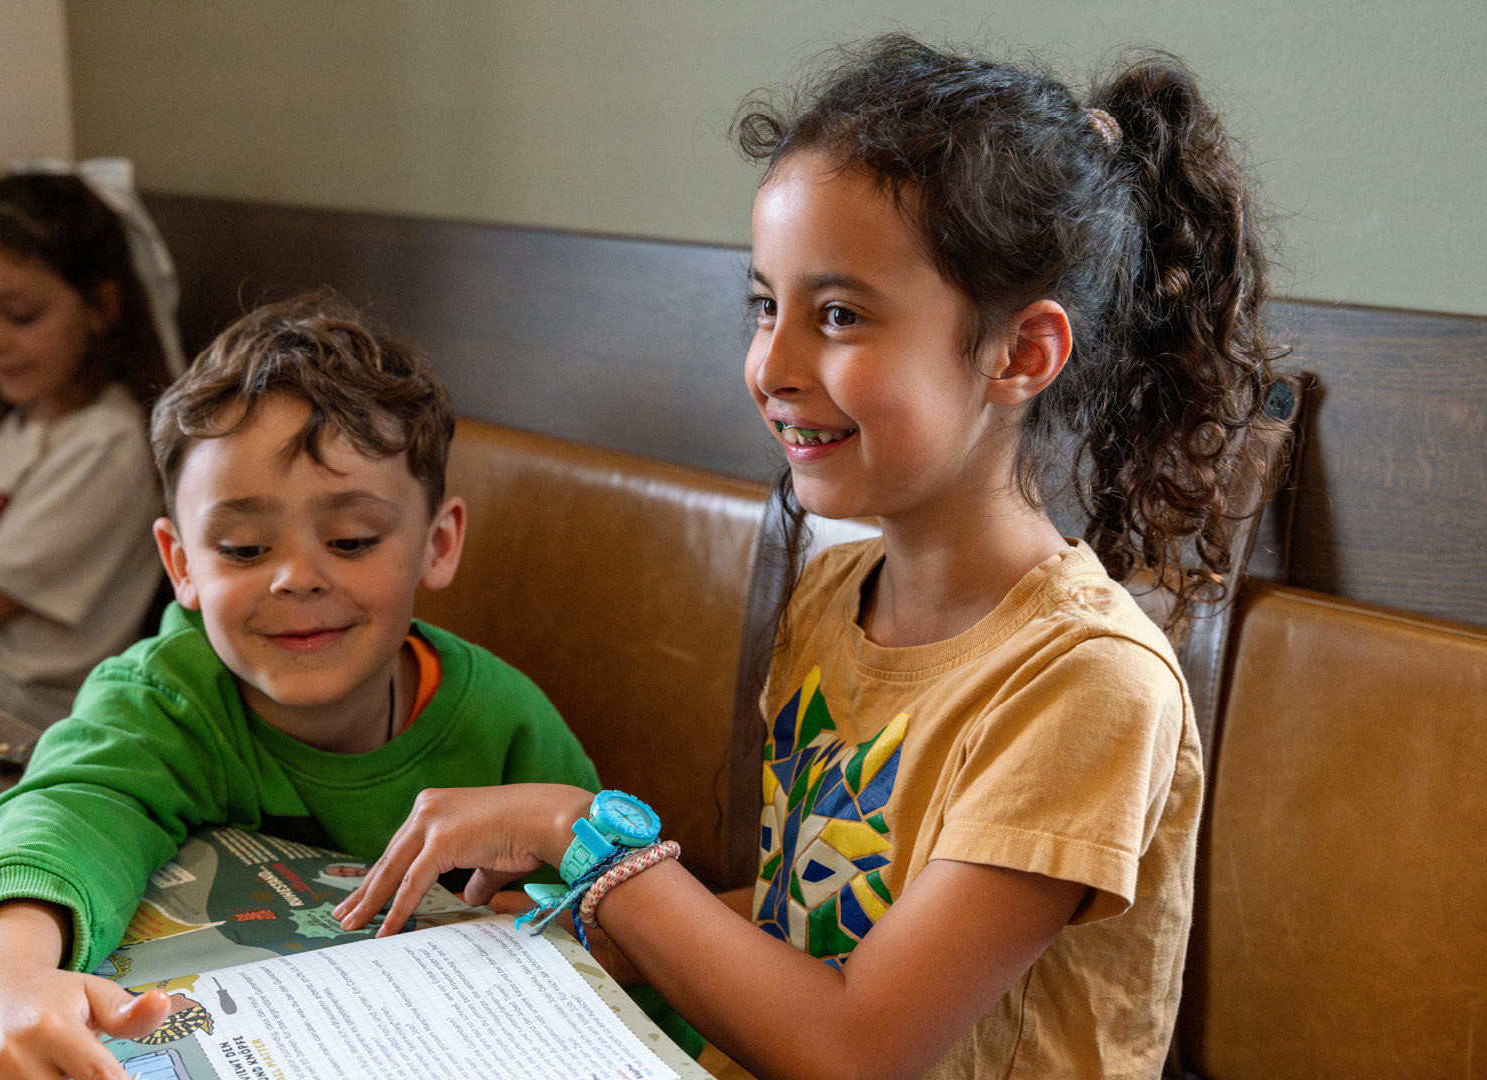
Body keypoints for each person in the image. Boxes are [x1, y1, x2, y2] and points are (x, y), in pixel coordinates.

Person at [335, 36, 1277, 1079]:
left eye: (838, 315)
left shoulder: (1087, 687)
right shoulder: (836, 594)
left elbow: (855, 1046)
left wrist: (582, 838)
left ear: (1021, 354)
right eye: (764, 305)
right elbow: (813, 920)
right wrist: (586, 927)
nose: (772, 365)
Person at [0, 295, 601, 1080]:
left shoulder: (508, 727)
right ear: (181, 564)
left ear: (440, 542)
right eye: (245, 549)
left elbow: (621, 928)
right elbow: (64, 813)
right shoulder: (165, 700)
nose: (296, 578)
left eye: (352, 540)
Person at [0, 168, 176, 725]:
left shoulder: (106, 443)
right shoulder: (16, 421)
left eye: (20, 315)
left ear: (100, 307)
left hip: (21, 717)